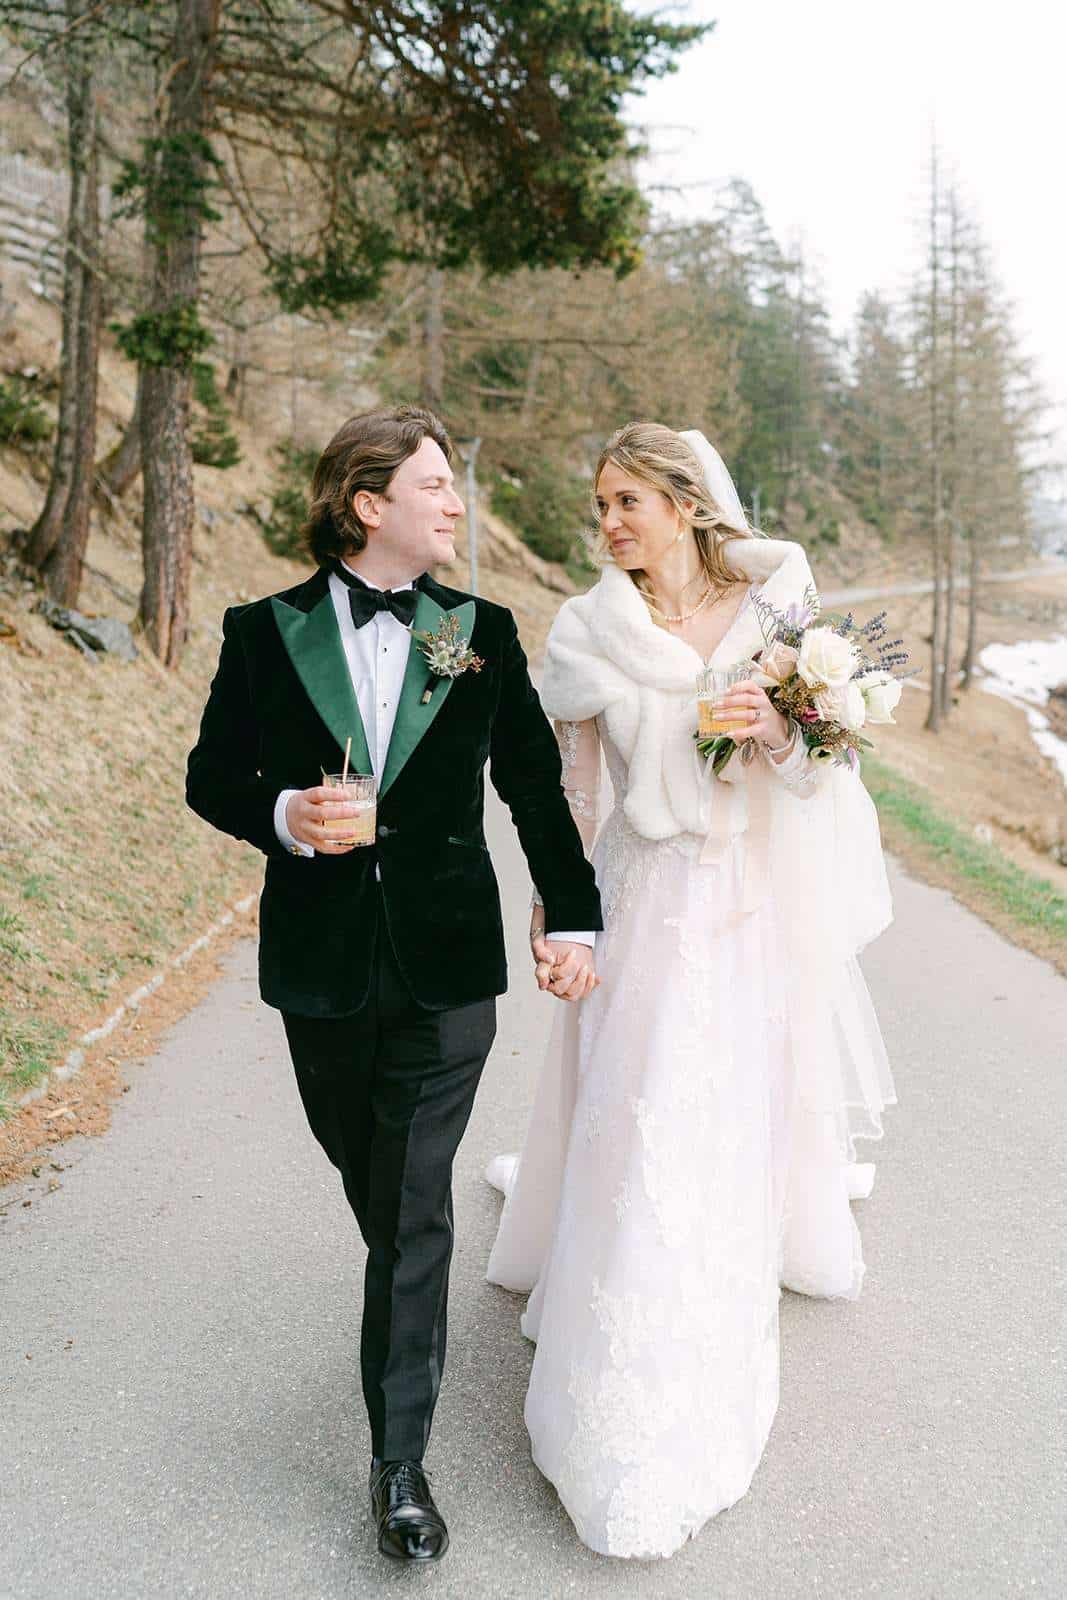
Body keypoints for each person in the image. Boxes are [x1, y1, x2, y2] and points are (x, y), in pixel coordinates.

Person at [186, 405, 602, 1565]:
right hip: (318, 969)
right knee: (373, 1183)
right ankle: (406, 1300)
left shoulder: (480, 631)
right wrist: (281, 815)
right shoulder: (261, 631)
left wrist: (573, 914)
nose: (456, 505)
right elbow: (213, 776)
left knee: (414, 1200)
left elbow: (531, 783)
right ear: (369, 504)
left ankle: (399, 1464)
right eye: (434, 486)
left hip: (448, 968)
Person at [487, 422, 897, 1560]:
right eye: (599, 503)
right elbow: (568, 798)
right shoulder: (586, 634)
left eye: (628, 499)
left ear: (684, 502)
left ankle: (711, 1303)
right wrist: (557, 918)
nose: (610, 521)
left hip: (749, 908)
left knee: (724, 1116)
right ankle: (613, 1347)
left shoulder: (775, 616)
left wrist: (774, 725)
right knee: (640, 1116)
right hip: (643, 899)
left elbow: (828, 772)